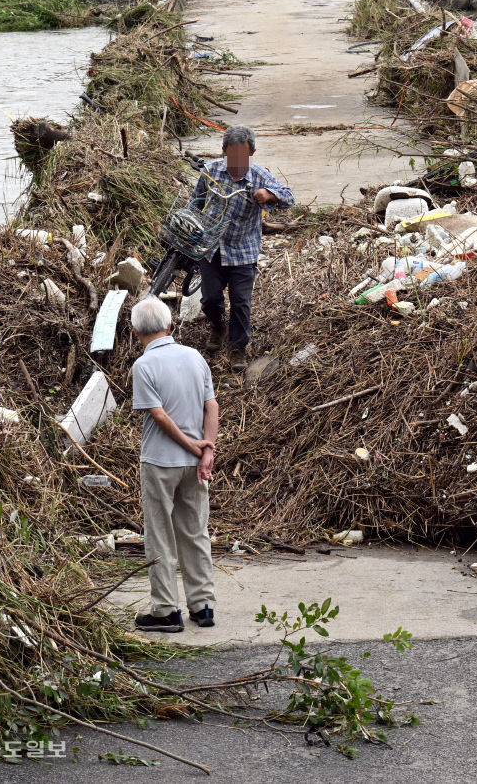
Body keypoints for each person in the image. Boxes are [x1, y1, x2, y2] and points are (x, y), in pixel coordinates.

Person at [131, 296, 219, 633]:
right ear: (170, 325)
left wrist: (191, 444)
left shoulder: (144, 366)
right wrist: (205, 450)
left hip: (160, 462)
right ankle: (202, 606)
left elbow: (158, 415)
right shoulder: (195, 357)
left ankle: (166, 610)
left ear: (137, 331)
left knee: (160, 535)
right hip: (195, 465)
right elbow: (211, 406)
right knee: (196, 532)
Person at [191, 125, 295, 373]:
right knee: (210, 298)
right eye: (232, 155)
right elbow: (196, 201)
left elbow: (289, 197)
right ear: (224, 150)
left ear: (252, 152)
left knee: (241, 302)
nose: (237, 162)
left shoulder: (259, 176)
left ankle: (238, 347)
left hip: (243, 251)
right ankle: (217, 327)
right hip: (212, 248)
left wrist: (269, 194)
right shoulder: (212, 171)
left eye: (243, 156)